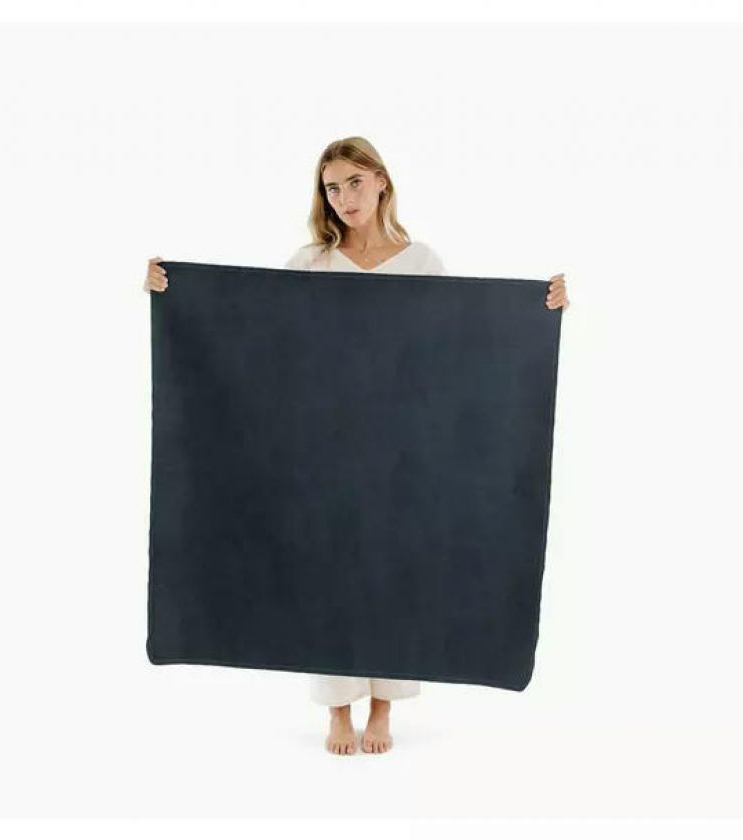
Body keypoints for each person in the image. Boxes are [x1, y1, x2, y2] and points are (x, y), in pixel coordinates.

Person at [143, 136, 570, 757]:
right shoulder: (311, 262)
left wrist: (538, 310)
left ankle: (383, 707)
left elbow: (461, 341)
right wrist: (174, 293)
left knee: (396, 566)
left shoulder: (420, 262)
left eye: (354, 183)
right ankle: (338, 710)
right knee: (327, 565)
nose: (343, 197)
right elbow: (261, 335)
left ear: (381, 182)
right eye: (332, 187)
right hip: (321, 444)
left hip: (402, 447)